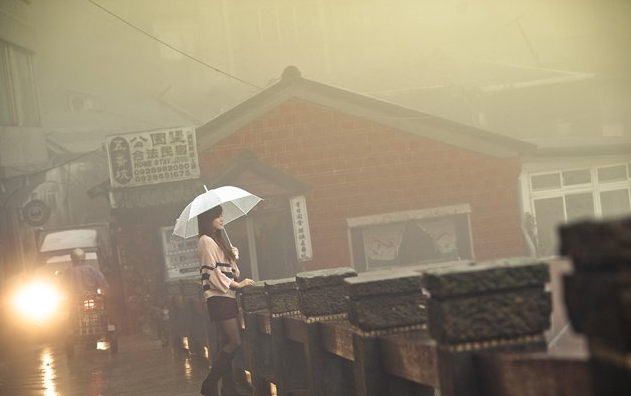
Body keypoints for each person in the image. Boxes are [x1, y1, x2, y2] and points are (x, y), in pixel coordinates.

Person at [198, 205, 255, 396]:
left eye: (222, 216)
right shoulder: (206, 241)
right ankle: (210, 384)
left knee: (225, 343)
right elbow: (211, 273)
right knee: (234, 341)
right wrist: (238, 286)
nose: (221, 219)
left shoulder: (217, 241)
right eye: (217, 216)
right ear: (208, 219)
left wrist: (232, 257)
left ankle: (228, 388)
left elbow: (231, 272)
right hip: (218, 298)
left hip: (227, 298)